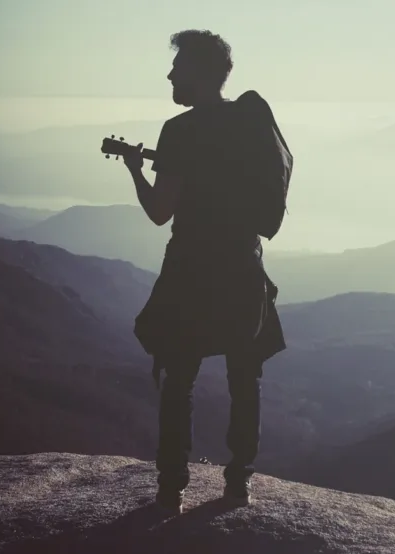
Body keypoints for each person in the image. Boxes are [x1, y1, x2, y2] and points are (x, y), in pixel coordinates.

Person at [121, 29, 287, 514]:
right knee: (244, 376)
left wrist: (135, 168)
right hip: (241, 266)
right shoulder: (248, 122)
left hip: (191, 269)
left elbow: (159, 211)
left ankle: (172, 486)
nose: (170, 74)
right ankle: (239, 483)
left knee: (179, 378)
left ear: (197, 71)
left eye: (177, 67)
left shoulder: (180, 131)